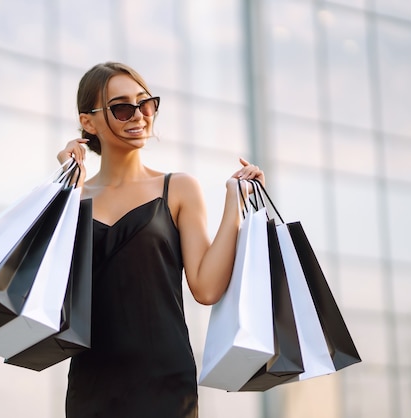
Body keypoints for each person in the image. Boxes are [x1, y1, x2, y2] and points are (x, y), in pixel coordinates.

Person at [57, 62, 265, 418]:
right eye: (121, 108)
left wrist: (235, 200)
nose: (138, 116)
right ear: (88, 122)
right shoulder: (71, 197)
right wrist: (67, 180)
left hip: (165, 382)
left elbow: (206, 288)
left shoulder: (178, 188)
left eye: (146, 104)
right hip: (91, 382)